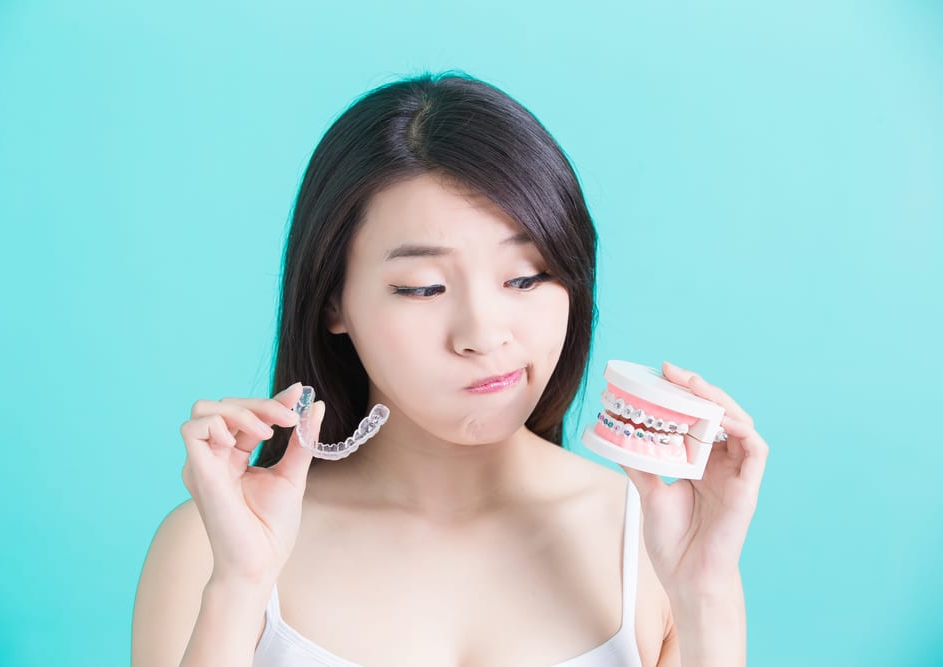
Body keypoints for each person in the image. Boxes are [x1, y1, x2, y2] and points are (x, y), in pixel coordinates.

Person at [131, 71, 768, 667]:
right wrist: (240, 585)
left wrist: (705, 592)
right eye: (423, 287)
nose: (483, 335)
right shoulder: (214, 547)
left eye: (526, 277)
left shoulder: (658, 547)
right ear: (333, 301)